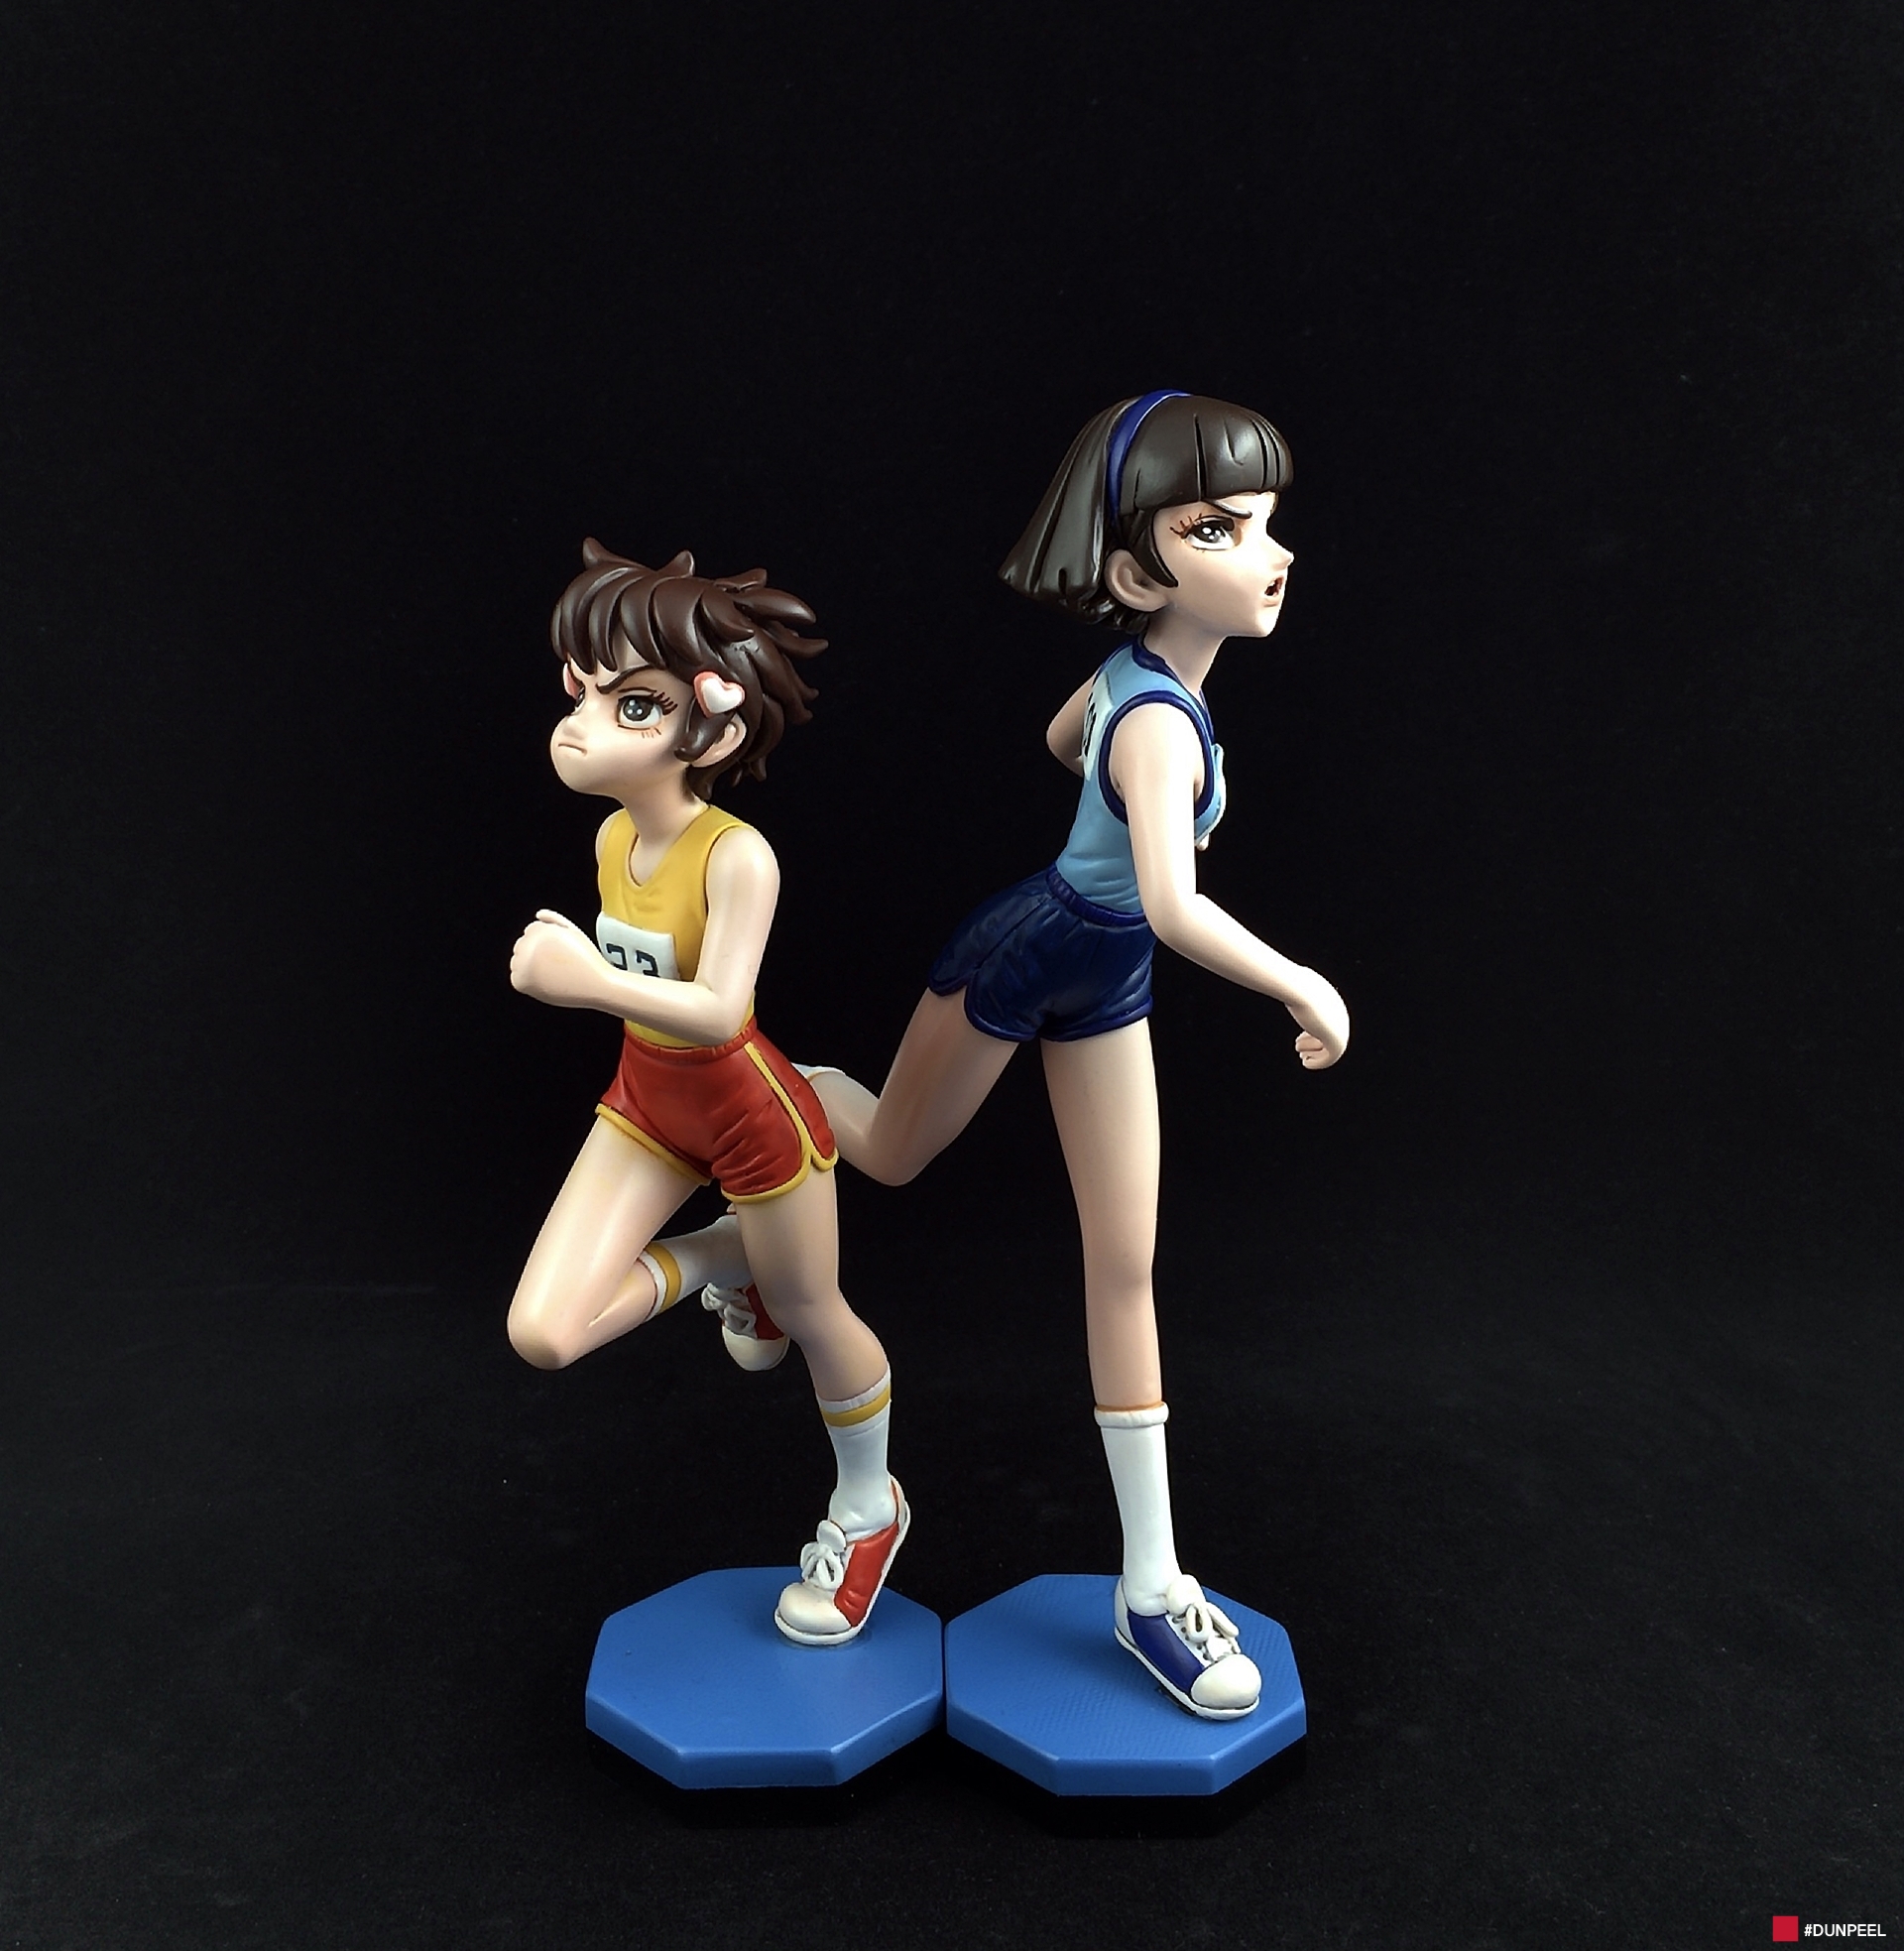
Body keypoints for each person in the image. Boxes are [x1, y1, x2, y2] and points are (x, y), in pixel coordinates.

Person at [807, 394, 1350, 1717]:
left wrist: (1114, 768)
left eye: (1265, 520)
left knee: (1125, 1262)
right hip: (1034, 947)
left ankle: (1152, 1582)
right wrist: (1296, 978)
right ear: (1137, 571)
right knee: (885, 1151)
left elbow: (1064, 740)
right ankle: (771, 1143)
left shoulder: (1140, 688)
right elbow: (1170, 902)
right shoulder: (1158, 719)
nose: (1270, 550)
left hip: (1104, 975)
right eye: (1219, 528)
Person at [506, 540, 906, 1646]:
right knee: (544, 1332)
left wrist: (586, 981)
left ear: (713, 734)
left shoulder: (737, 856)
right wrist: (603, 991)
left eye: (632, 705)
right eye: (583, 690)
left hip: (749, 1115)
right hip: (648, 1101)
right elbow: (655, 1006)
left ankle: (869, 1506)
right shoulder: (612, 836)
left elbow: (724, 1010)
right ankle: (730, 1255)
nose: (583, 723)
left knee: (816, 1311)